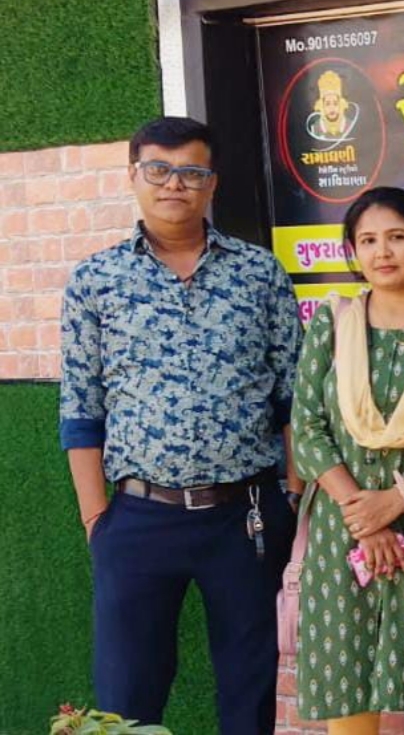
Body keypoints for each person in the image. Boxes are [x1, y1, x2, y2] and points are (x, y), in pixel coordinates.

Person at [59, 116, 302, 733]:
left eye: (192, 172)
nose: (175, 184)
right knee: (126, 696)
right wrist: (96, 520)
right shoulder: (96, 281)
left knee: (248, 692)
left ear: (211, 183)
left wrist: (292, 497)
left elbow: (293, 398)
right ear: (134, 176)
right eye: (159, 170)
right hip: (138, 517)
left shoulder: (259, 273)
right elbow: (81, 409)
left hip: (243, 516)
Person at [290, 187, 404, 733]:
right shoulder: (333, 322)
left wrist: (397, 500)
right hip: (342, 523)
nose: (382, 252)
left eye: (396, 237)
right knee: (346, 675)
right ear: (353, 251)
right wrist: (364, 517)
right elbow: (307, 429)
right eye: (367, 240)